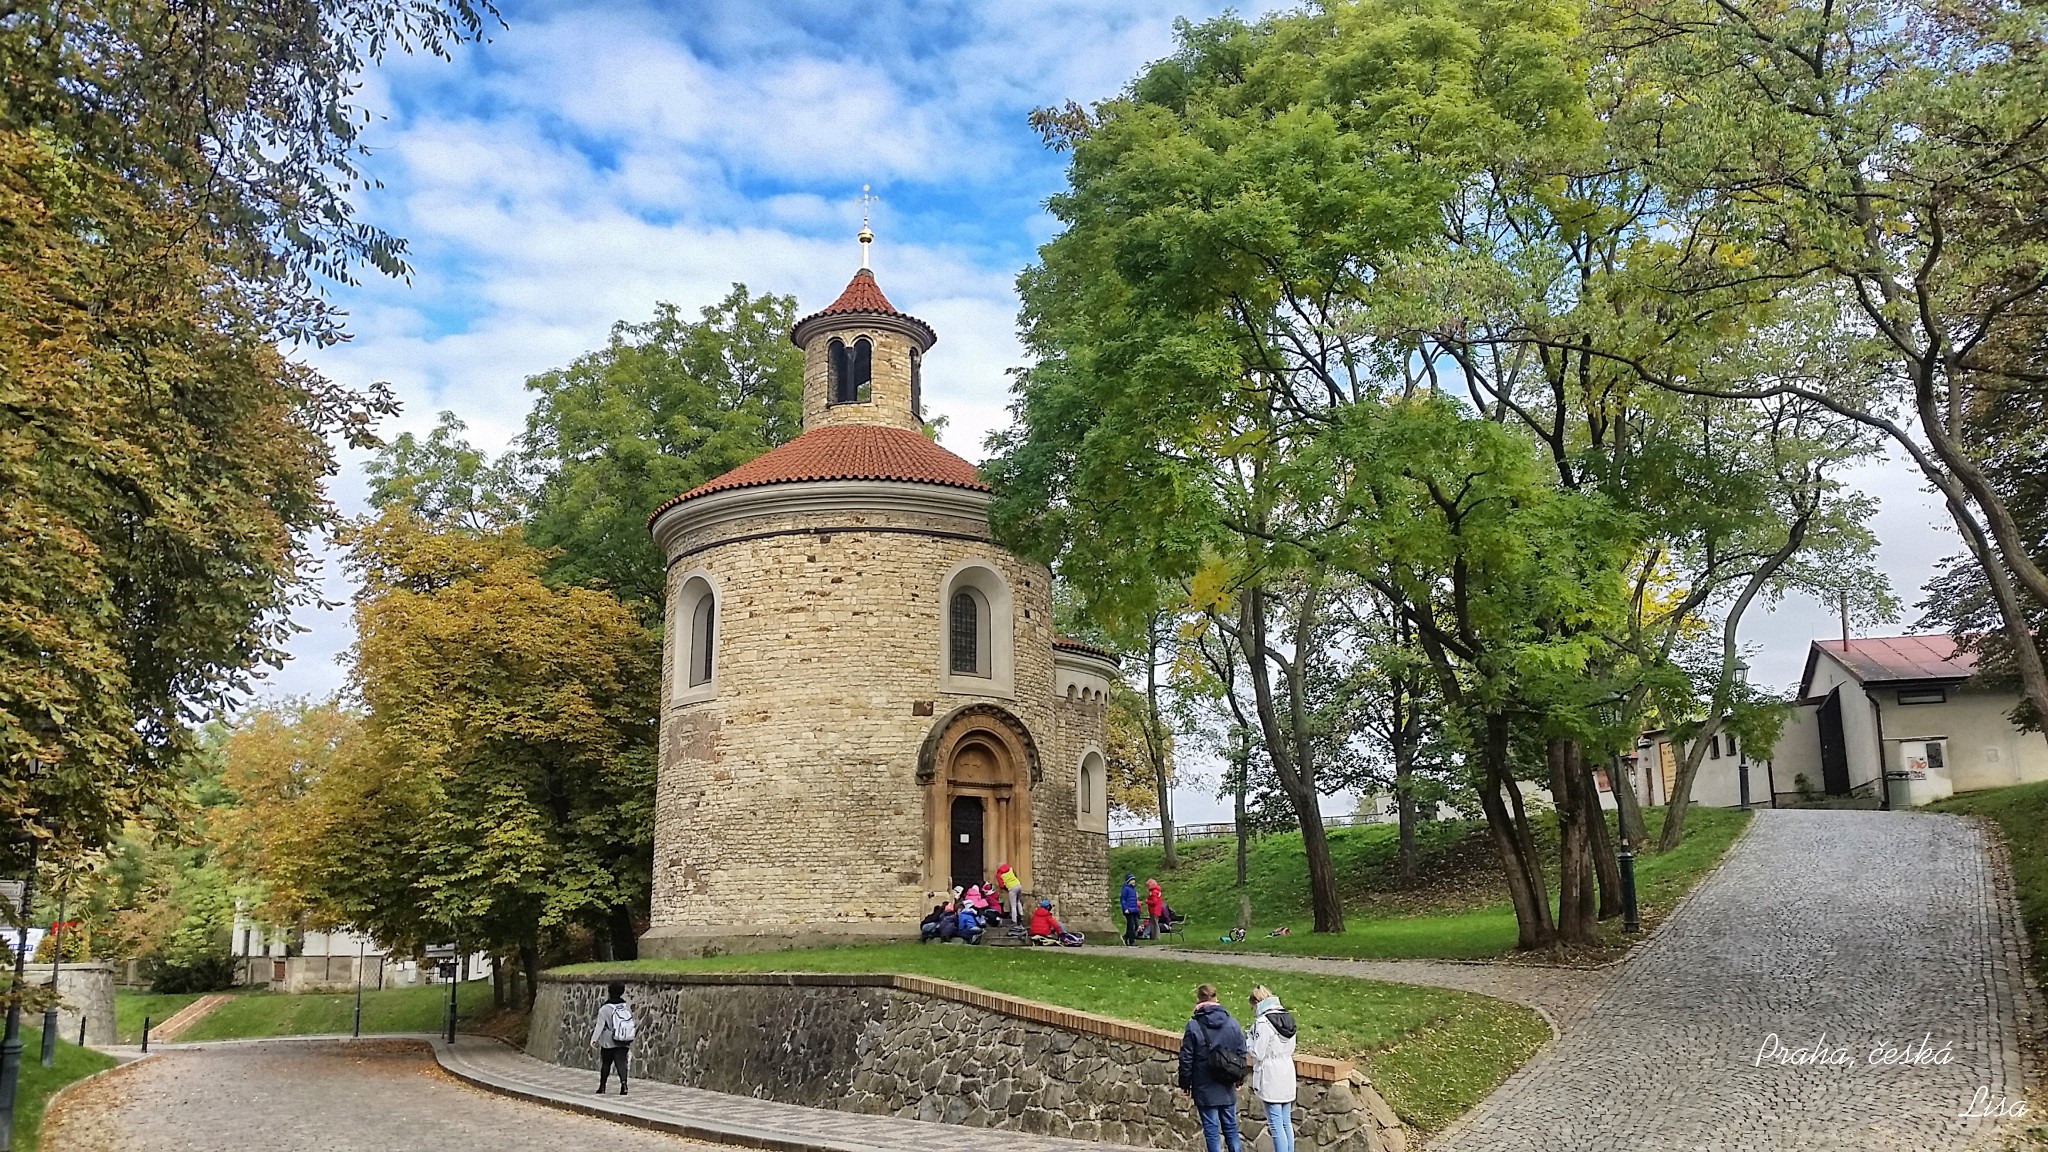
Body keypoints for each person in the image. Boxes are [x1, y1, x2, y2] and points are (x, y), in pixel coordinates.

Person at [1177, 983, 1249, 1152]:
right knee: (1231, 1128)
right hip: (1226, 1084)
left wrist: (1185, 1084)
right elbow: (1241, 1053)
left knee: (1211, 1131)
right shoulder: (1232, 1023)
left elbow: (1186, 1058)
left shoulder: (1193, 1026)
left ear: (1198, 1000)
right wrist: (1239, 1079)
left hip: (1204, 1085)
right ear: (1216, 998)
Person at [1247, 984, 1298, 1152]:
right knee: (1286, 1122)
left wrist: (1249, 1041)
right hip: (1286, 1070)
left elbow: (1258, 1053)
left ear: (1256, 1003)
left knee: (1276, 1125)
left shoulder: (1263, 1022)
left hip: (1270, 1074)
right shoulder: (1288, 1018)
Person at [588, 981, 635, 1095]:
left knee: (606, 1063)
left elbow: (600, 1025)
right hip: (623, 1039)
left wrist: (594, 1039)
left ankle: (602, 1086)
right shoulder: (625, 1006)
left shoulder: (605, 1008)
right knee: (621, 1063)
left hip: (609, 1041)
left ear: (609, 992)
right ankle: (624, 1085)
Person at [1120, 873, 1141, 946]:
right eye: (1132, 880)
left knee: (1136, 925)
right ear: (1128, 881)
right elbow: (1123, 899)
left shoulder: (1133, 890)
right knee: (1131, 926)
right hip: (1128, 910)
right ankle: (1131, 941)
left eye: (1134, 880)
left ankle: (1125, 937)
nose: (1133, 881)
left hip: (1134, 909)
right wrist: (1125, 908)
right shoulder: (1125, 889)